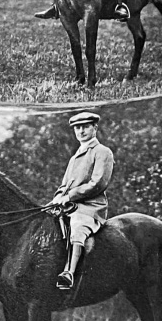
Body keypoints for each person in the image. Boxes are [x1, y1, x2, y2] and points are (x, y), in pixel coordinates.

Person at [49, 110, 114, 291]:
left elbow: (98, 183)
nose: (81, 131)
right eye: (77, 128)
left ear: (95, 127)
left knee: (77, 227)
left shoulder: (102, 152)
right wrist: (58, 196)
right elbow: (65, 184)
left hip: (90, 208)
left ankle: (69, 273)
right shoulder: (75, 156)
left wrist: (70, 196)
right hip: (69, 205)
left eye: (85, 127)